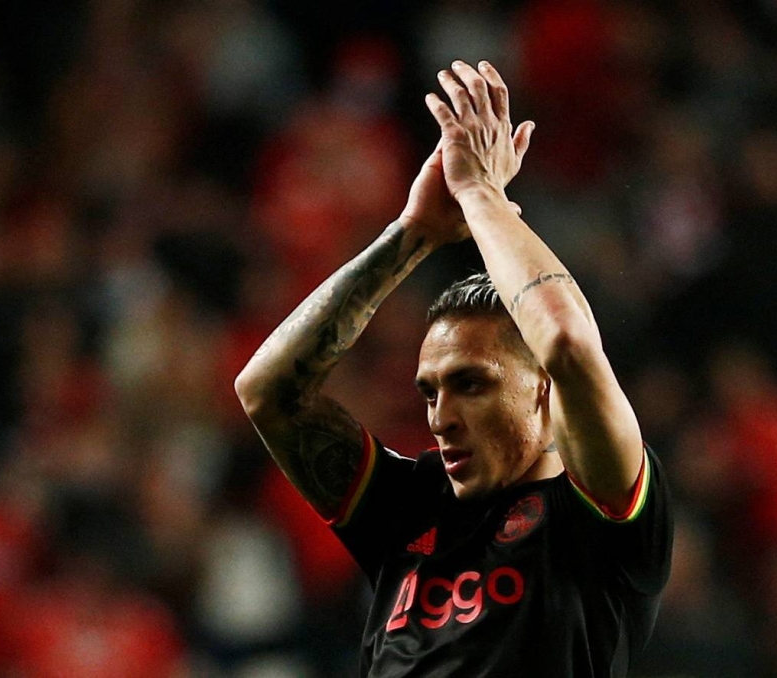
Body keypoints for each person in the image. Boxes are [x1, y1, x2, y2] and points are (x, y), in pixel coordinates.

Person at [235, 60, 673, 677]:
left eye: (471, 383)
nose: (441, 418)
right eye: (430, 392)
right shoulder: (411, 506)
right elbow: (267, 392)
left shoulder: (599, 511)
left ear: (544, 389)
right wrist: (412, 232)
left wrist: (480, 195)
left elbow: (569, 342)